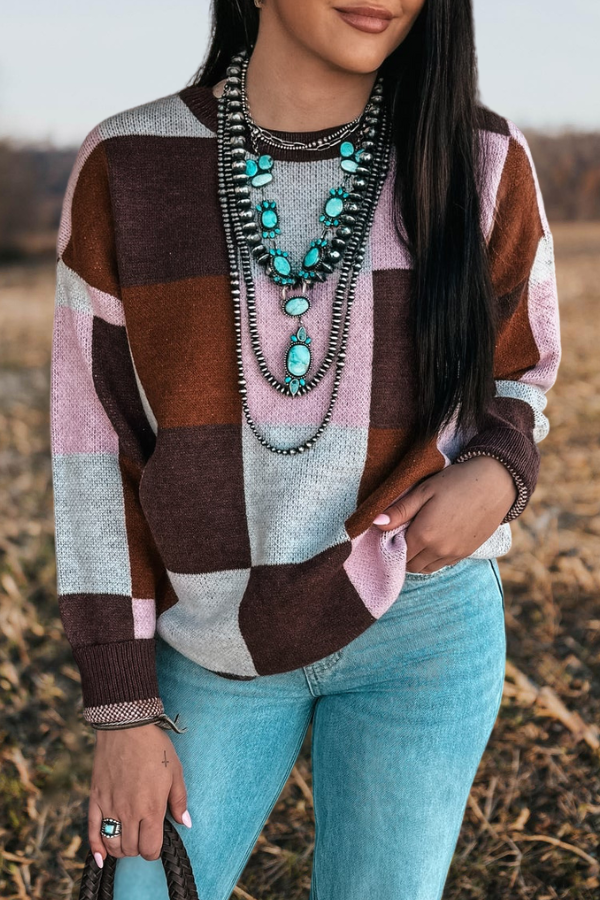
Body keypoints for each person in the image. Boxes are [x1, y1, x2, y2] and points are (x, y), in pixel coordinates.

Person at [50, 1, 561, 898]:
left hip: (424, 625)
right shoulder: (127, 165)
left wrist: (499, 470)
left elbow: (520, 370)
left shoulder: (480, 156)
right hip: (211, 639)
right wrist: (123, 711)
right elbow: (96, 454)